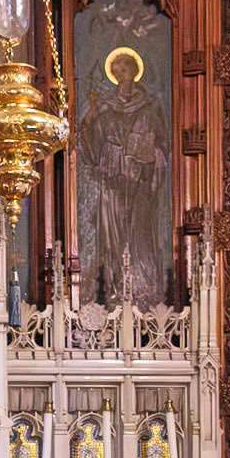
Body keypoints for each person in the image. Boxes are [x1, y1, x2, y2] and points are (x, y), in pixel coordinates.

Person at [78, 45, 170, 304]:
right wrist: (92, 114)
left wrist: (148, 153)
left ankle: (144, 290)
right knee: (112, 231)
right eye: (117, 70)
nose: (123, 74)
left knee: (139, 228)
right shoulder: (105, 107)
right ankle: (112, 289)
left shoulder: (151, 106)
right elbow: (88, 140)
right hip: (111, 174)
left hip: (140, 175)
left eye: (127, 68)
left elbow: (163, 143)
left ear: (136, 71)